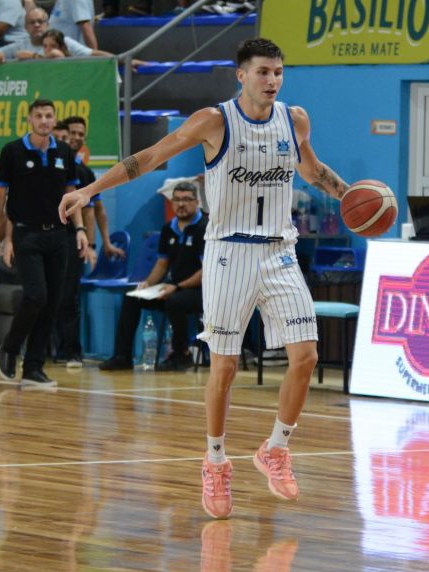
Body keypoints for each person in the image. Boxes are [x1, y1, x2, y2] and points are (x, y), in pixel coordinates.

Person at [60, 38, 353, 519]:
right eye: (263, 72)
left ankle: (276, 449)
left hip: (280, 250)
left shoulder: (295, 119)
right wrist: (90, 190)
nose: (272, 80)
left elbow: (312, 169)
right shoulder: (214, 121)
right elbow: (148, 157)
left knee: (306, 357)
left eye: (278, 72)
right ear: (241, 75)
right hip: (228, 253)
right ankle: (215, 460)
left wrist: (351, 195)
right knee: (225, 366)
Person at [0, 98, 90, 387]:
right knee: (36, 295)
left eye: (48, 116)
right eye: (39, 116)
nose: (44, 120)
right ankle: (9, 347)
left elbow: (72, 194)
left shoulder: (65, 152)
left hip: (58, 235)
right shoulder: (12, 151)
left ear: (54, 120)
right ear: (30, 120)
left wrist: (80, 229)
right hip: (27, 234)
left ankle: (33, 367)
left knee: (53, 302)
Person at [100, 181, 206, 371]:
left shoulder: (205, 228)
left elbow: (207, 272)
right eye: (177, 200)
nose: (181, 204)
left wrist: (177, 287)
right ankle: (122, 356)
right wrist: (147, 283)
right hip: (173, 287)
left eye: (186, 199)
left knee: (175, 301)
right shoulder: (168, 228)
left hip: (202, 291)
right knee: (132, 297)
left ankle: (182, 355)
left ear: (197, 202)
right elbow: (162, 264)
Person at [53, 116, 125, 367]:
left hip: (72, 240)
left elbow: (95, 211)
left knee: (68, 297)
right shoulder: (48, 167)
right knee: (48, 296)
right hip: (47, 239)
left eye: (79, 134)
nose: (74, 138)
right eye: (70, 134)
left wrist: (98, 244)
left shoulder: (83, 172)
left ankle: (71, 351)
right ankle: (51, 350)